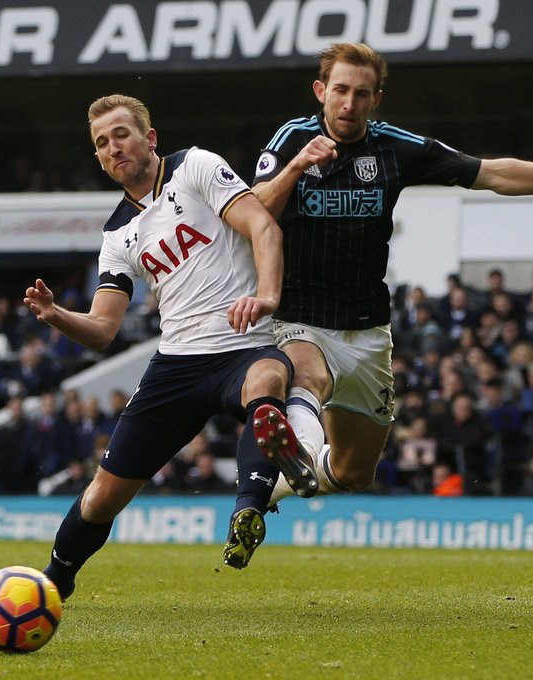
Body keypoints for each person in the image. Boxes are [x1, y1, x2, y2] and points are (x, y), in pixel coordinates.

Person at [251, 42, 533, 506]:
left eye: (361, 93)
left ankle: (270, 488)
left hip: (367, 330)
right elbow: (255, 212)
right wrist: (298, 167)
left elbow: (495, 174)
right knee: (307, 377)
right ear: (320, 91)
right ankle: (290, 449)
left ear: (376, 98)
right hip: (302, 317)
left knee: (354, 471)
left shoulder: (396, 148)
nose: (348, 103)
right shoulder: (292, 140)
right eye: (340, 90)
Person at [25, 94, 319, 600]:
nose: (113, 148)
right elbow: (101, 329)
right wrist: (57, 316)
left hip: (241, 342)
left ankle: (248, 507)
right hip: (177, 365)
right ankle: (54, 580)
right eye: (101, 144)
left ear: (150, 137)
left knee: (269, 379)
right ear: (97, 160)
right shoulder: (117, 233)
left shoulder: (195, 167)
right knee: (101, 498)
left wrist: (267, 295)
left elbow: (262, 224)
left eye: (121, 134)